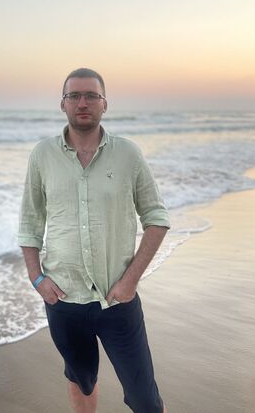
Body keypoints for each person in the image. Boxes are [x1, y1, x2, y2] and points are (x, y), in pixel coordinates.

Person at [18, 68, 170, 413]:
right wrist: (37, 278)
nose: (82, 103)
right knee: (81, 379)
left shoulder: (128, 154)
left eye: (91, 96)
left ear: (104, 104)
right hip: (63, 300)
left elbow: (157, 219)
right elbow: (29, 223)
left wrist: (130, 281)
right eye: (74, 96)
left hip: (117, 300)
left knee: (145, 400)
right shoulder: (42, 155)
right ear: (63, 104)